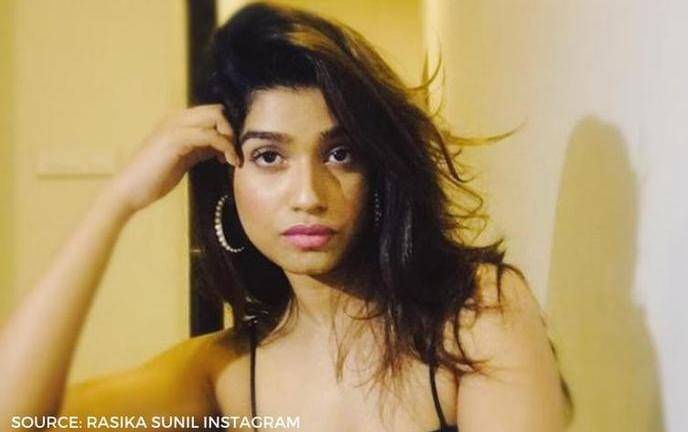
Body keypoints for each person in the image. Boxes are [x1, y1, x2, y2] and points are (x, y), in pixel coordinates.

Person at [0, 3, 571, 431]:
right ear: (229, 177)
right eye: (269, 157)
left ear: (378, 167)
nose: (308, 195)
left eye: (339, 153)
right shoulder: (224, 372)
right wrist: (117, 200)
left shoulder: (474, 313)